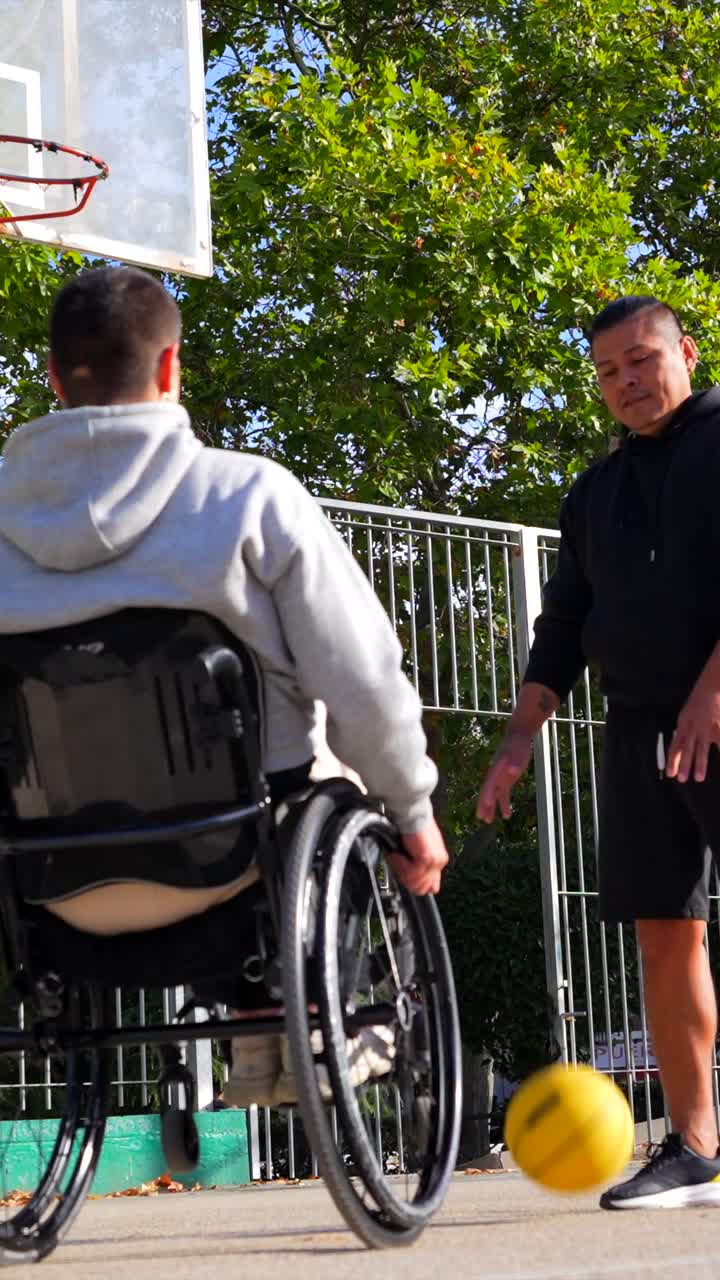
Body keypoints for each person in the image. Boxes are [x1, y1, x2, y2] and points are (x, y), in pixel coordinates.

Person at [0, 264, 448, 1103]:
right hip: (237, 863)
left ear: (54, 377)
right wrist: (412, 813)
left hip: (53, 879)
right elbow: (361, 677)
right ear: (170, 370)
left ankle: (251, 1036)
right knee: (335, 780)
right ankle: (296, 1019)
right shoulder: (247, 496)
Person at [477, 294, 720, 1210]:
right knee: (666, 929)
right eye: (608, 371)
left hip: (717, 710)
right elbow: (563, 627)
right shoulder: (595, 492)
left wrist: (712, 691)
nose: (626, 381)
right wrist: (514, 744)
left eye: (641, 359)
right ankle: (697, 1149)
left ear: (685, 352)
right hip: (639, 727)